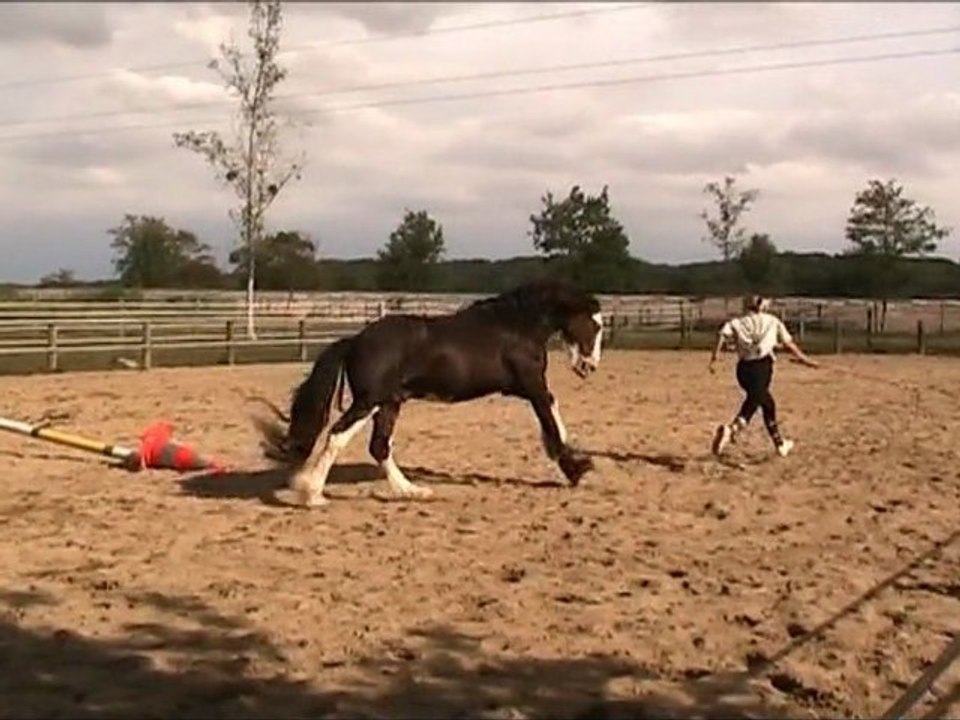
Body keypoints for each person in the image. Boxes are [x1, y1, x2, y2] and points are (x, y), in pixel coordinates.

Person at [708, 295, 819, 458]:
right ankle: (732, 430)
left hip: (743, 370)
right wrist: (806, 360)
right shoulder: (772, 321)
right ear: (761, 306)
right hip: (762, 368)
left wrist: (715, 357)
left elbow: (722, 335)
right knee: (760, 401)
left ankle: (778, 443)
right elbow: (789, 343)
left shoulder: (737, 322)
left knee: (763, 402)